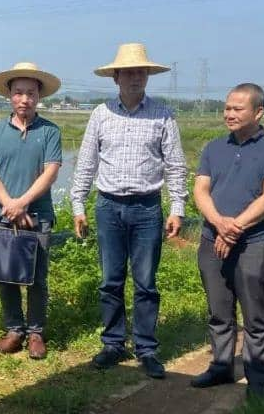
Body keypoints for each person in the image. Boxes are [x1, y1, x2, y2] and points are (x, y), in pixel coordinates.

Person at [70, 43, 187, 379]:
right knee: (110, 280)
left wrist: (177, 207)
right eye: (129, 72)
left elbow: (175, 166)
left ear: (147, 77)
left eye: (141, 72)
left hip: (147, 208)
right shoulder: (101, 114)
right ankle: (113, 343)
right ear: (116, 78)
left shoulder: (163, 114)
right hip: (108, 207)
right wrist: (79, 204)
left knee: (146, 282)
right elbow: (86, 163)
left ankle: (147, 348)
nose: (135, 78)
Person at [190, 83, 264, 399]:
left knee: (254, 313)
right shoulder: (213, 148)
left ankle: (258, 377)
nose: (229, 114)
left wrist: (234, 230)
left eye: (237, 109)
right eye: (227, 108)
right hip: (212, 239)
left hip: (254, 243)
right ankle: (221, 366)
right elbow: (201, 191)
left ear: (258, 112)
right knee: (218, 309)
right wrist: (220, 224)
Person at [0, 61, 63, 360]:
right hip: (3, 216)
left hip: (37, 217)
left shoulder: (50, 132)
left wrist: (22, 202)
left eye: (30, 93)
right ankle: (14, 329)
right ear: (9, 96)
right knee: (7, 275)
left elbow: (50, 172)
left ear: (39, 96)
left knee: (37, 277)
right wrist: (10, 205)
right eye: (18, 93)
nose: (24, 99)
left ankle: (36, 331)